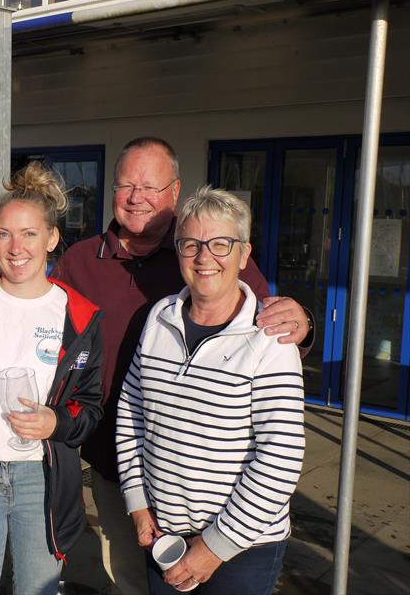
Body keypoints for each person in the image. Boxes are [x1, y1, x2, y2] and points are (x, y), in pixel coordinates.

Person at [50, 137, 312, 594]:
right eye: (126, 185)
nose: (137, 197)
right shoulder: (80, 262)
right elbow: (37, 320)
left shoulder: (206, 252)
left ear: (174, 191)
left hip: (226, 503)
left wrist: (306, 323)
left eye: (150, 186)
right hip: (124, 475)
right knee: (130, 581)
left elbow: (271, 328)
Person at [116, 185, 305, 594]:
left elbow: (281, 457)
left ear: (244, 254)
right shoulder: (158, 319)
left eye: (221, 244)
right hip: (164, 535)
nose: (205, 258)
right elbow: (131, 414)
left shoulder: (269, 338)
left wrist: (215, 547)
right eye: (191, 245)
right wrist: (137, 501)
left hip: (243, 549)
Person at [0, 162, 104, 595]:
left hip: (41, 481)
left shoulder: (80, 316)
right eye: (4, 233)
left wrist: (56, 423)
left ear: (51, 238)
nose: (16, 247)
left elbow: (89, 407)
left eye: (29, 233)